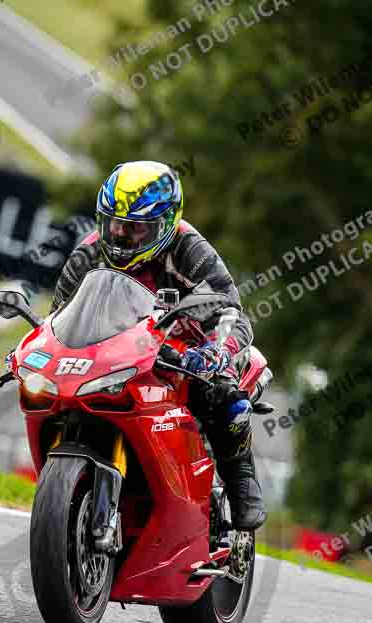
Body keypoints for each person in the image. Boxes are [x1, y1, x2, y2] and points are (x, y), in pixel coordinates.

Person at [50, 161, 266, 531]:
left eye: (134, 227)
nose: (119, 235)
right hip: (115, 348)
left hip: (186, 343)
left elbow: (230, 309)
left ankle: (240, 481)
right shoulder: (88, 253)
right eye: (113, 222)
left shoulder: (190, 250)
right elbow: (58, 316)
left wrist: (214, 353)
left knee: (221, 390)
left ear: (165, 225)